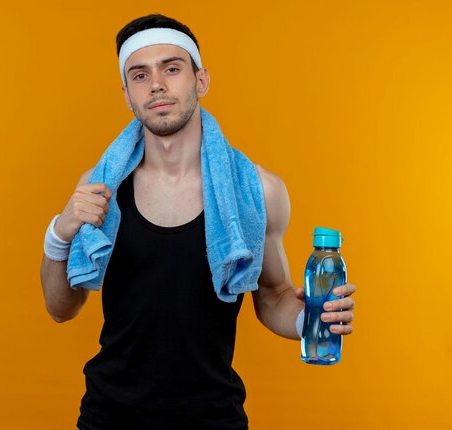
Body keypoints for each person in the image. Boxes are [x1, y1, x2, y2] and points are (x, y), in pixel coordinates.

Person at [40, 14, 356, 430]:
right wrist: (59, 234)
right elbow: (61, 308)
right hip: (109, 415)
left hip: (213, 417)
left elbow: (274, 295)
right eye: (140, 75)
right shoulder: (100, 188)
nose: (156, 84)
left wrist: (311, 320)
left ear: (200, 80)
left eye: (171, 68)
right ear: (127, 95)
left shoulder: (257, 190)